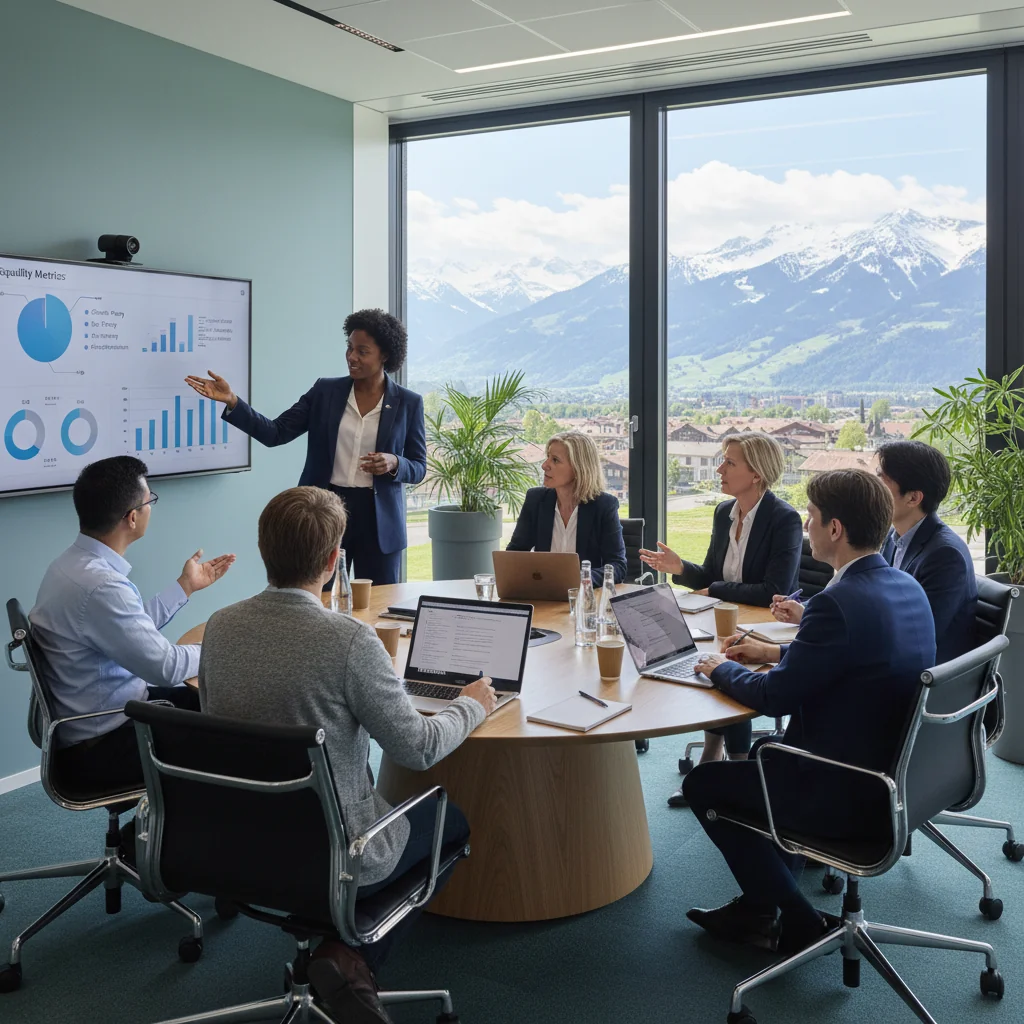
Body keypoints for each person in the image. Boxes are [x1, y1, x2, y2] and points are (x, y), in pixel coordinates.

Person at [198, 486, 495, 1024]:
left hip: (235, 840)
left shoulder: (219, 628)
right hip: (336, 852)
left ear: (264, 549)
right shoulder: (350, 641)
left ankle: (335, 952)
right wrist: (471, 706)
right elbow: (419, 747)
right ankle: (350, 957)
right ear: (334, 561)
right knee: (451, 822)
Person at [683, 470, 935, 955]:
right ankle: (760, 909)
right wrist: (773, 654)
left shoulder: (835, 603)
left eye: (813, 517)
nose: (806, 525)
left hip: (841, 786)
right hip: (893, 776)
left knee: (704, 784)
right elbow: (856, 661)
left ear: (835, 529)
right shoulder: (905, 587)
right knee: (763, 754)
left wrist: (717, 668)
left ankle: (798, 920)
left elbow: (774, 699)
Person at [29, 456, 235, 791]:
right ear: (132, 517)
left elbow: (126, 631)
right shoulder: (101, 586)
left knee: (218, 703)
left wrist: (185, 586)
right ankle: (176, 836)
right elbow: (165, 667)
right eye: (149, 500)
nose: (151, 507)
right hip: (104, 743)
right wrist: (225, 645)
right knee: (232, 735)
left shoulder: (71, 565)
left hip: (102, 717)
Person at [185, 308, 425, 585]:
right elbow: (276, 433)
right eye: (349, 348)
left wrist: (395, 462)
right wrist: (233, 402)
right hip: (326, 512)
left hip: (380, 522)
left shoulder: (409, 402)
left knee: (381, 606)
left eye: (362, 351)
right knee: (315, 602)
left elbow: (419, 466)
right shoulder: (326, 392)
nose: (351, 357)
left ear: (385, 355)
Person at [638, 432, 802, 802]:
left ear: (756, 473)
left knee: (729, 659)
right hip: (722, 617)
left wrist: (715, 590)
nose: (719, 468)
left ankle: (734, 769)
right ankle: (715, 760)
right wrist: (680, 568)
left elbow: (770, 588)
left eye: (729, 462)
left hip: (763, 625)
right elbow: (713, 576)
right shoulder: (722, 513)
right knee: (703, 657)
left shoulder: (784, 518)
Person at [769, 440, 977, 668]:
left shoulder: (945, 555)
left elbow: (914, 637)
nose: (872, 487)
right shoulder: (891, 536)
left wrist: (781, 649)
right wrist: (806, 610)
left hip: (920, 681)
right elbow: (874, 606)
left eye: (881, 479)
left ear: (913, 498)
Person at [506, 430, 626, 587]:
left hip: (584, 600)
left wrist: (579, 579)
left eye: (555, 460)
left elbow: (617, 567)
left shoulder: (604, 506)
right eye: (547, 457)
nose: (544, 465)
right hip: (543, 597)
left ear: (578, 468)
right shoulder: (536, 500)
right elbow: (515, 555)